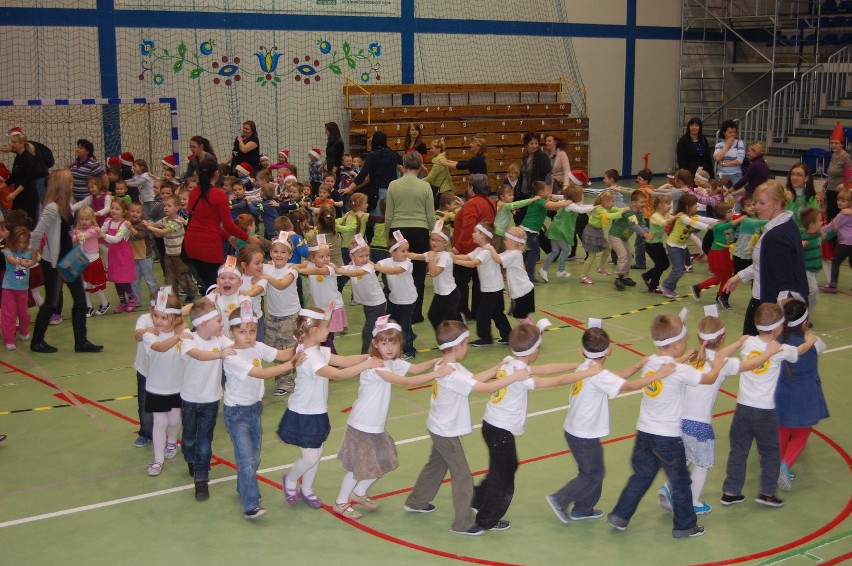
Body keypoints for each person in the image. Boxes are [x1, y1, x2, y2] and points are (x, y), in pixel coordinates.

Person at [474, 322, 607, 530]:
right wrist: (585, 373)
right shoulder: (523, 377)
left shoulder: (510, 362)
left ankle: (477, 498)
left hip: (490, 424)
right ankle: (486, 521)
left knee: (503, 467)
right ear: (535, 351)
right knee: (504, 479)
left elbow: (548, 368)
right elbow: (555, 381)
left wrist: (576, 365)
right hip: (501, 431)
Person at [402, 320, 529, 536]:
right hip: (445, 432)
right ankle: (462, 524)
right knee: (462, 475)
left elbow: (473, 380)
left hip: (439, 427)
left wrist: (498, 368)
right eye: (467, 343)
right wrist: (514, 376)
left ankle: (416, 501)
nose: (468, 347)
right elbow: (484, 388)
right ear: (458, 346)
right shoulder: (452, 373)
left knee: (436, 465)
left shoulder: (447, 366)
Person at [608, 314, 728, 539]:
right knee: (681, 483)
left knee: (641, 476)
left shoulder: (651, 363)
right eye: (684, 341)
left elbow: (669, 369)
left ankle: (620, 515)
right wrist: (718, 365)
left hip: (644, 433)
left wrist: (682, 358)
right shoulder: (681, 371)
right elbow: (709, 378)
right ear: (675, 344)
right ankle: (685, 527)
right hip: (668, 438)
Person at [546, 325, 674, 524]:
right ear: (610, 350)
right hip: (584, 434)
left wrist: (637, 366)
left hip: (576, 430)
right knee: (594, 473)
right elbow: (627, 386)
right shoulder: (599, 375)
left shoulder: (586, 367)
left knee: (591, 471)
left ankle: (583, 509)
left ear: (581, 350)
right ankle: (560, 499)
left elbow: (615, 376)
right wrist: (658, 375)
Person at [656, 311, 779, 516]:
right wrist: (769, 351)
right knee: (702, 465)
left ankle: (668, 486)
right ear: (722, 338)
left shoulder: (692, 356)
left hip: (679, 420)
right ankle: (693, 502)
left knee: (685, 456)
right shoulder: (724, 364)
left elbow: (716, 353)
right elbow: (752, 364)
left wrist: (739, 342)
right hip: (700, 424)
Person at [333, 317, 450, 519]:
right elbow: (407, 381)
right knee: (358, 468)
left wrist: (436, 361)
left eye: (393, 343)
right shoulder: (375, 367)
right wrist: (437, 374)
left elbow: (413, 369)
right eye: (384, 343)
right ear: (375, 343)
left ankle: (359, 493)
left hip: (375, 426)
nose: (389, 348)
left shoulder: (391, 362)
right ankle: (341, 501)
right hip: (362, 425)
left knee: (384, 460)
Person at [279, 307, 382, 510]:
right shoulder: (311, 358)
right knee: (311, 456)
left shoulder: (315, 350)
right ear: (314, 331)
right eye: (327, 327)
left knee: (316, 452)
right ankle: (290, 480)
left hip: (317, 411)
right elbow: (338, 374)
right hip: (302, 413)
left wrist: (366, 357)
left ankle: (307, 489)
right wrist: (367, 365)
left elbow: (342, 361)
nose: (330, 330)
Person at [721, 303, 817, 507]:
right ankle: (766, 493)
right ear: (776, 328)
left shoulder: (748, 343)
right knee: (771, 453)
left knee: (738, 450)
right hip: (764, 411)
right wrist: (809, 341)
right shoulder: (780, 349)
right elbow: (798, 352)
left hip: (742, 408)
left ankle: (731, 491)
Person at [223, 302, 301, 518]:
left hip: (254, 410)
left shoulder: (256, 346)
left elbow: (282, 354)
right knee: (247, 460)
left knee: (253, 459)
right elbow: (262, 374)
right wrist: (294, 363)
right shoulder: (231, 357)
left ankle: (243, 486)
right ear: (231, 332)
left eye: (252, 330)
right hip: (236, 413)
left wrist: (303, 343)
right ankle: (250, 504)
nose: (248, 336)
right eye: (242, 332)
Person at [29, 170, 102, 354]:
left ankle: (81, 342)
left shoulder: (66, 205)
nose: (72, 184)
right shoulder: (51, 208)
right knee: (51, 302)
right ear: (62, 185)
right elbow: (37, 233)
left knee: (79, 300)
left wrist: (88, 200)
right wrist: (33, 256)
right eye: (70, 182)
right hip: (54, 263)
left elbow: (72, 214)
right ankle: (37, 341)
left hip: (69, 259)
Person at [723, 181, 809, 335]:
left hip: (768, 305)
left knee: (753, 351)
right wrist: (740, 276)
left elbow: (785, 283)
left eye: (762, 203)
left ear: (777, 204)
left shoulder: (777, 236)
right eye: (756, 202)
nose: (757, 206)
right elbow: (766, 263)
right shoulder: (784, 225)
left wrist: (777, 321)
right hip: (765, 301)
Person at [178, 298, 234, 499]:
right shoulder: (189, 340)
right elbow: (198, 355)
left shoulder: (220, 339)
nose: (221, 325)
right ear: (203, 324)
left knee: (204, 441)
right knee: (189, 438)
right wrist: (220, 354)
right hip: (190, 400)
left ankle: (201, 479)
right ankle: (189, 456)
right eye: (218, 321)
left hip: (211, 400)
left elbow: (237, 346)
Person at [184, 158, 261, 291]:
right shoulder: (218, 194)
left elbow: (206, 223)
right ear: (217, 174)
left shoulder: (194, 193)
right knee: (217, 287)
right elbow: (228, 225)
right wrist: (250, 238)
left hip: (191, 244)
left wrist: (228, 237)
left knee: (208, 286)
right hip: (208, 247)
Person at [776, 297, 829, 490]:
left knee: (782, 429)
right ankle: (785, 464)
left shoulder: (776, 340)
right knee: (801, 433)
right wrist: (808, 336)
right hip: (805, 395)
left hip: (781, 394)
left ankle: (776, 465)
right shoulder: (815, 342)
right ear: (805, 322)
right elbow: (821, 348)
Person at [385, 151, 435, 324]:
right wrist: (433, 235)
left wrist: (387, 235)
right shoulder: (425, 186)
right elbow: (430, 216)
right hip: (420, 230)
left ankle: (397, 311)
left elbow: (389, 215)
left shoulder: (393, 185)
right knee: (418, 274)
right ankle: (415, 314)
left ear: (403, 166)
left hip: (398, 230)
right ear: (420, 167)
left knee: (397, 271)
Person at [141, 289, 187, 477]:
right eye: (156, 317)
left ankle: (172, 441)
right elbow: (160, 348)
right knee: (159, 422)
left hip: (177, 387)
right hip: (156, 388)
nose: (158, 321)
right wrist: (178, 336)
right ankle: (158, 460)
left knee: (175, 420)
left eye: (163, 318)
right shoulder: (149, 336)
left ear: (175, 319)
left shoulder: (183, 334)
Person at [452, 222, 511, 346]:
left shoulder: (486, 251)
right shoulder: (480, 249)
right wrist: (453, 256)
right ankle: (507, 335)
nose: (472, 234)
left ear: (483, 235)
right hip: (495, 288)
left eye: (475, 232)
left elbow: (474, 263)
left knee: (482, 314)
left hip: (492, 289)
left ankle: (486, 338)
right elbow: (467, 257)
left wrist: (455, 261)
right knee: (497, 313)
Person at [261, 233, 301, 395]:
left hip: (290, 314)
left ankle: (286, 383)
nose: (279, 255)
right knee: (275, 347)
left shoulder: (291, 270)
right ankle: (288, 371)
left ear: (290, 255)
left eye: (283, 252)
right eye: (275, 251)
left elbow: (282, 285)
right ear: (270, 253)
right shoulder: (267, 267)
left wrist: (266, 277)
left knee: (285, 347)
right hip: (272, 314)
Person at [452, 174, 496, 321]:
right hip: (483, 247)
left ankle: (463, 311)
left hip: (468, 249)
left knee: (460, 281)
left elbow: (468, 227)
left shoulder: (473, 203)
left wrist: (458, 247)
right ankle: (478, 312)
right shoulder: (490, 201)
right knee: (478, 282)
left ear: (471, 187)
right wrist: (465, 205)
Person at [144, 195, 195, 303]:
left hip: (179, 254)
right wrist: (148, 224)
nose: (166, 208)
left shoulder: (177, 221)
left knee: (182, 276)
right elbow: (155, 226)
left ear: (177, 208)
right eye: (165, 206)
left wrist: (150, 227)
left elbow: (163, 231)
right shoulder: (164, 220)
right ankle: (173, 296)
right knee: (169, 277)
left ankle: (191, 293)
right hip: (169, 254)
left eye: (169, 206)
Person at [342, 131, 402, 214]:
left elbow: (362, 175)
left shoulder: (372, 155)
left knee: (378, 220)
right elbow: (404, 166)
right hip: (393, 191)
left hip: (378, 191)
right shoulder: (393, 153)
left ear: (375, 140)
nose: (370, 139)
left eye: (372, 137)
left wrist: (349, 188)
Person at [99, 199, 138, 312]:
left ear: (124, 211)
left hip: (123, 255)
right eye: (112, 208)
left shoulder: (125, 225)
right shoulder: (108, 222)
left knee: (123, 280)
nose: (114, 210)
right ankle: (122, 302)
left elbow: (116, 239)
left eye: (117, 209)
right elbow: (101, 232)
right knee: (116, 279)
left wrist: (103, 235)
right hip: (113, 255)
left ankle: (132, 298)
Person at [73, 207, 110, 316]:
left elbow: (79, 237)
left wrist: (75, 232)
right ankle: (88, 306)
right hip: (83, 261)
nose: (83, 222)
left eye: (86, 219)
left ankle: (105, 303)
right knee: (85, 286)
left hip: (93, 261)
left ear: (92, 220)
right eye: (81, 219)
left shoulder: (93, 230)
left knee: (96, 285)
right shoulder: (79, 230)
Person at [2, 226, 34, 350]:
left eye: (24, 242)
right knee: (9, 314)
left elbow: (37, 257)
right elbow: (11, 260)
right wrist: (20, 262)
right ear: (13, 240)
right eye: (19, 242)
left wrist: (33, 257)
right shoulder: (8, 251)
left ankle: (24, 330)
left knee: (23, 313)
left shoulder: (29, 251)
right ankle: (8, 338)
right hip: (9, 288)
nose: (22, 245)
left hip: (23, 289)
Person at [1, 131, 41, 222]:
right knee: (15, 221)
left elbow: (27, 180)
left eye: (14, 142)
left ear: (22, 143)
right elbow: (12, 178)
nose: (12, 145)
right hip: (19, 195)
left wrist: (13, 194)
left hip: (28, 196)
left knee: (27, 222)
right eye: (12, 142)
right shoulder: (18, 157)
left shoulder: (28, 158)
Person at [819, 188, 852, 294]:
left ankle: (833, 285)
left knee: (836, 262)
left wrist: (818, 229)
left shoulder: (843, 215)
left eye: (843, 201)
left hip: (844, 243)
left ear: (850, 202)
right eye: (839, 200)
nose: (839, 202)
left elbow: (830, 227)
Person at [514, 132, 552, 225]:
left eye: (536, 143)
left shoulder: (543, 157)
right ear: (526, 144)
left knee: (531, 220)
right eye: (532, 143)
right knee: (519, 218)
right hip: (524, 193)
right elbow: (522, 176)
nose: (534, 146)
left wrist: (545, 193)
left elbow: (548, 176)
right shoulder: (525, 156)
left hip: (535, 193)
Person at [825, 122, 851, 221]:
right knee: (830, 216)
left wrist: (844, 185)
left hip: (840, 193)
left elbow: (850, 176)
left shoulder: (846, 157)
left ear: (842, 144)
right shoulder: (833, 155)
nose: (834, 145)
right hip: (830, 190)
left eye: (836, 143)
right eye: (832, 143)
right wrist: (825, 185)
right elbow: (831, 173)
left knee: (838, 218)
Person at [785, 162, 820, 227]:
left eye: (799, 175)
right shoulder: (783, 194)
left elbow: (815, 220)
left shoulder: (811, 198)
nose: (794, 178)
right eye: (792, 174)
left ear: (806, 178)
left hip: (806, 234)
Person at [422, 139, 454, 206]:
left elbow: (430, 177)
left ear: (438, 149)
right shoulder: (441, 159)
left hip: (442, 191)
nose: (430, 150)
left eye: (432, 148)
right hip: (444, 189)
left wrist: (417, 181)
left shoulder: (439, 162)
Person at [713, 120, 746, 185]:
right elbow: (717, 158)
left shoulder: (739, 143)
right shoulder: (719, 145)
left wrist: (723, 163)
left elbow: (739, 161)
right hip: (721, 175)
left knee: (736, 194)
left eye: (734, 132)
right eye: (730, 132)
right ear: (724, 132)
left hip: (736, 175)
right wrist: (727, 146)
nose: (732, 134)